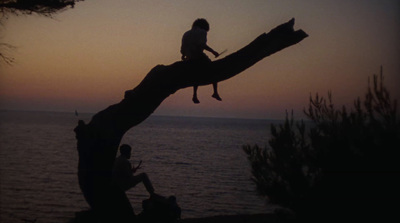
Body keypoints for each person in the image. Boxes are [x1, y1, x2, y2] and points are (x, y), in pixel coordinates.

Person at [181, 18, 222, 104]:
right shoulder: (202, 32)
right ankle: (215, 92)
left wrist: (184, 56)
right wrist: (213, 51)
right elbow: (202, 45)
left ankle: (194, 95)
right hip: (198, 56)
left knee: (196, 75)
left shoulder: (186, 33)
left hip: (189, 58)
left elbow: (183, 48)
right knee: (214, 70)